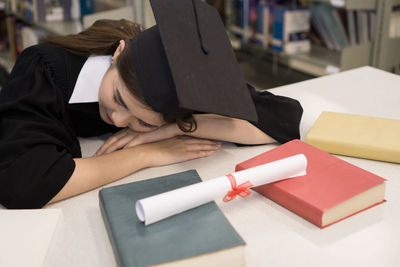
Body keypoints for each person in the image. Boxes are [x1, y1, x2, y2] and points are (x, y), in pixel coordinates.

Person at [0, 0, 303, 209]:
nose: (118, 120)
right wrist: (147, 153)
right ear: (118, 53)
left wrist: (173, 129)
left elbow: (281, 120)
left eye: (142, 120)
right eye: (118, 97)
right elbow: (25, 184)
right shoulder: (43, 69)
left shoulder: (178, 79)